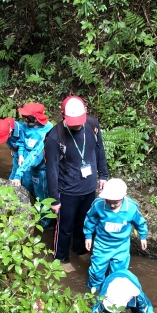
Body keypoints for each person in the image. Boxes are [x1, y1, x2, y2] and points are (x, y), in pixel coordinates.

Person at [45, 96, 109, 263]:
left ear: (85, 111)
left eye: (79, 120)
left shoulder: (92, 125)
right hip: (67, 191)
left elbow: (99, 150)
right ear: (62, 115)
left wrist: (103, 175)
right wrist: (55, 199)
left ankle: (79, 250)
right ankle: (61, 259)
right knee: (64, 228)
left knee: (84, 222)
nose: (77, 125)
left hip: (89, 188)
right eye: (73, 121)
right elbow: (51, 169)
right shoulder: (54, 137)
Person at [84, 178, 148, 292]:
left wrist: (143, 237)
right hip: (102, 243)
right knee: (96, 271)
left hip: (121, 245)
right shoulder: (98, 205)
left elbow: (140, 222)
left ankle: (112, 294)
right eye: (109, 201)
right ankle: (93, 294)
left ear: (124, 196)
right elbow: (90, 219)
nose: (112, 205)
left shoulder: (131, 208)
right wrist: (88, 236)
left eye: (116, 202)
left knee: (119, 273)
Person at [11, 103, 53, 224]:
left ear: (35, 118)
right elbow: (21, 142)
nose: (23, 119)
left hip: (41, 168)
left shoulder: (48, 129)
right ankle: (27, 213)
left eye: (26, 117)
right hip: (27, 164)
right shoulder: (25, 127)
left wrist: (19, 172)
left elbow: (36, 153)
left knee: (42, 194)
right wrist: (20, 154)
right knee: (27, 188)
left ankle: (45, 222)